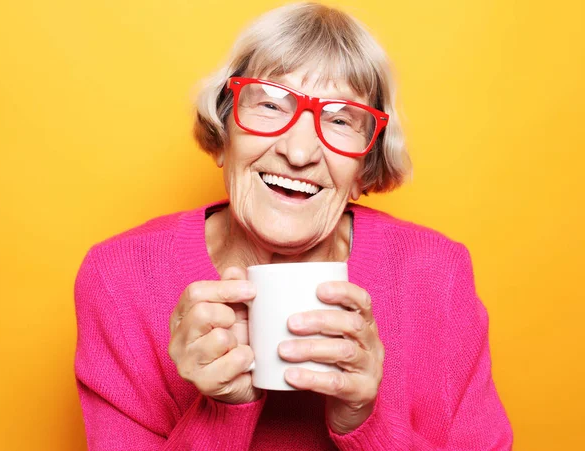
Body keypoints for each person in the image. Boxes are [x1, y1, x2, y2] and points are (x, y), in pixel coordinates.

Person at [73, 2, 513, 450]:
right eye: (269, 103)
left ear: (365, 167)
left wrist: (365, 422)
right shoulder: (120, 278)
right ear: (223, 133)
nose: (299, 152)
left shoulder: (438, 276)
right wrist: (223, 409)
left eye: (340, 119)